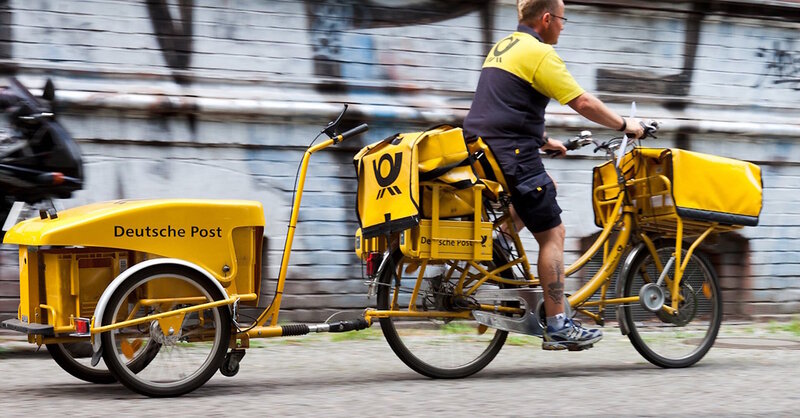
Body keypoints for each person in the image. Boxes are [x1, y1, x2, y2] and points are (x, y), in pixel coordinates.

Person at [463, 0, 644, 351]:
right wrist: (626, 125)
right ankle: (559, 323)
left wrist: (545, 141)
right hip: (511, 153)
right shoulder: (540, 53)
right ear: (546, 19)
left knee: (546, 188)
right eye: (562, 19)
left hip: (481, 148)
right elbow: (582, 103)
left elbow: (503, 105)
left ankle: (499, 240)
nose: (563, 25)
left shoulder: (503, 46)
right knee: (553, 233)